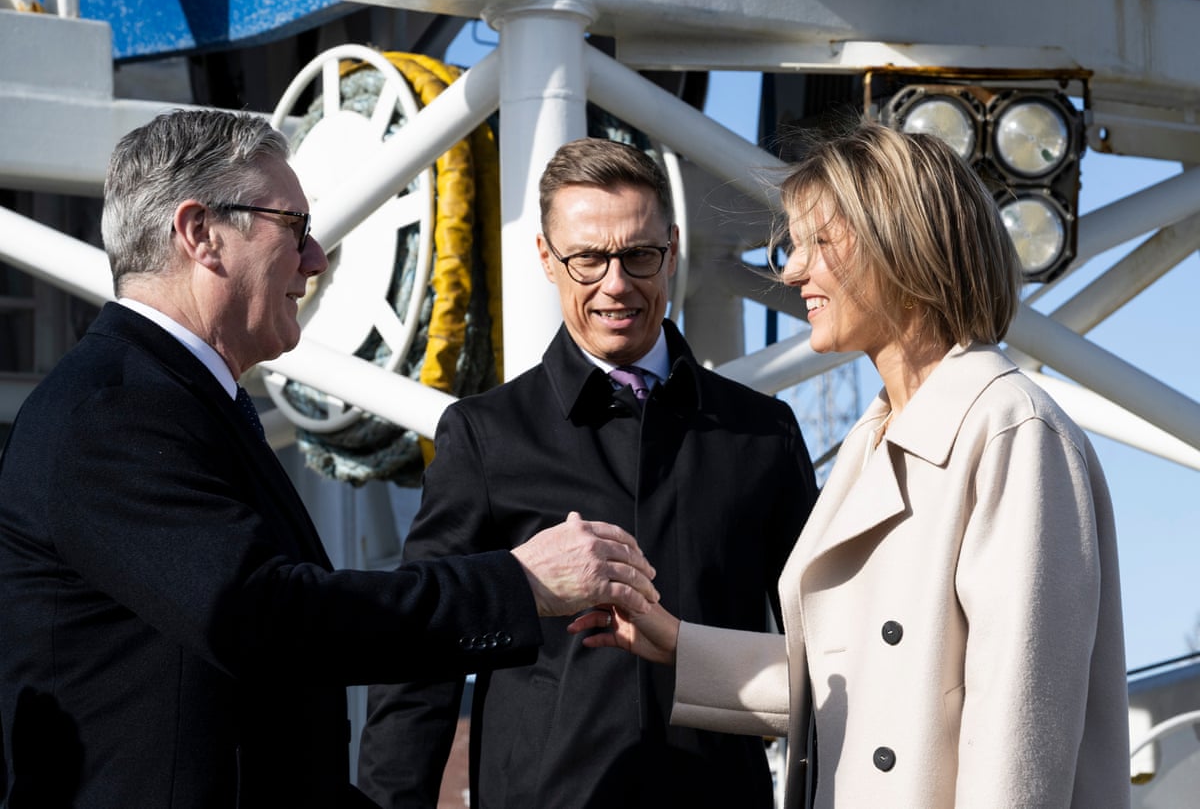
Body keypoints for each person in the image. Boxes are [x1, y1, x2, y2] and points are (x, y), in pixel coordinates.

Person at [0, 110, 660, 809]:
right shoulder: (114, 412)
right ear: (200, 234)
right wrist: (518, 583)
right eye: (294, 228)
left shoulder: (171, 402)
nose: (316, 259)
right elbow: (266, 620)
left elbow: (251, 716)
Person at [573, 120, 1131, 809]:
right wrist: (678, 643)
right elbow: (865, 688)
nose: (791, 270)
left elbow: (1017, 733)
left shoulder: (1012, 431)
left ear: (903, 246)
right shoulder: (873, 444)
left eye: (819, 244)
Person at [356, 137, 819, 808]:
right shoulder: (487, 437)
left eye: (638, 255)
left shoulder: (762, 435)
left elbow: (825, 643)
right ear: (547, 259)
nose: (616, 283)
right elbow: (423, 657)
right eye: (588, 260)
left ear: (673, 247)